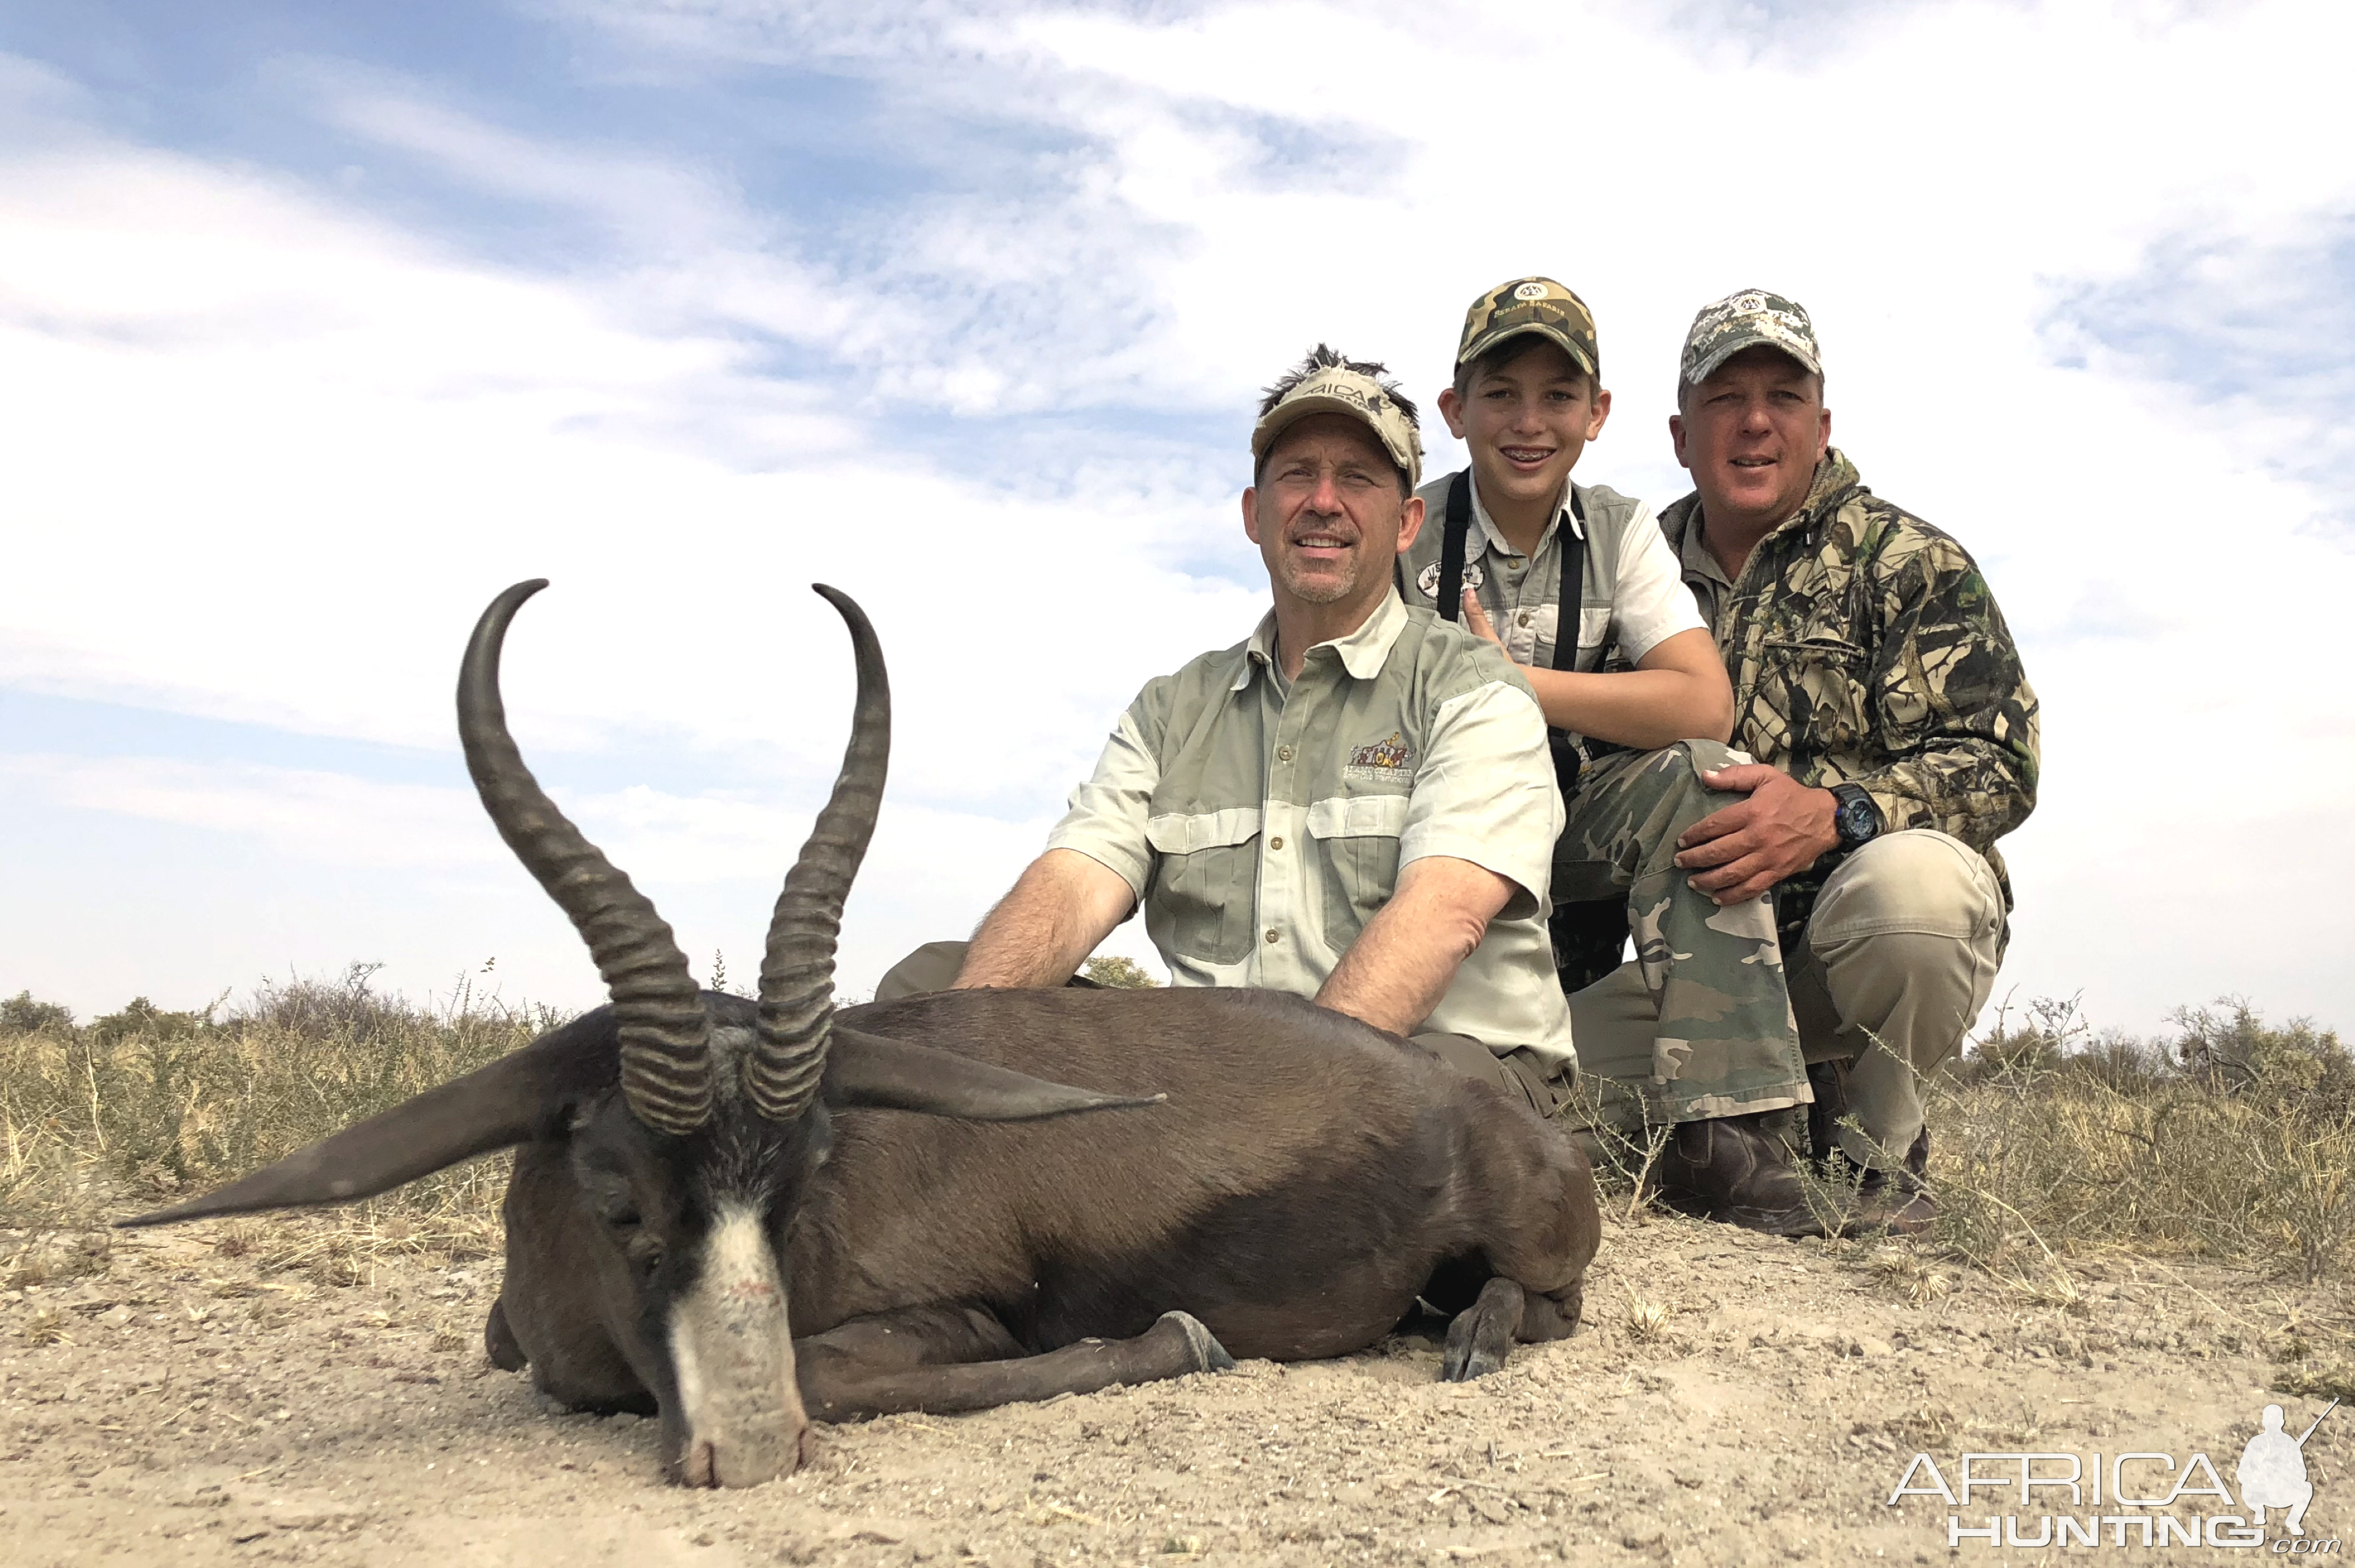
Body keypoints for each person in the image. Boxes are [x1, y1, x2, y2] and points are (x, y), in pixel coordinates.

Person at [876, 346, 1578, 1114]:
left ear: (1408, 522)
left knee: (1427, 1110)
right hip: (1217, 1074)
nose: (1323, 501)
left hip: (1428, 1061)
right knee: (933, 992)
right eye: (1296, 474)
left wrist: (1270, 1111)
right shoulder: (1172, 709)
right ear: (1254, 513)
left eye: (1357, 478)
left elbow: (1444, 912)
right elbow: (1075, 885)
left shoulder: (1472, 690)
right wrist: (969, 1045)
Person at [1569, 288, 2040, 1235]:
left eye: (1783, 397)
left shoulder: (1907, 561)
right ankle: (1773, 1116)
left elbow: (2000, 761)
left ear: (1821, 425)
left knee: (1921, 897)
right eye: (1724, 398)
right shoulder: (1626, 567)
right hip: (1697, 974)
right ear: (1679, 433)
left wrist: (1835, 815)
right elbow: (1578, 793)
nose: (1754, 422)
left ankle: (1875, 1148)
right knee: (1525, 1090)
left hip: (1844, 954)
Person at [1397, 277, 1823, 1234]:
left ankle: (1730, 1143)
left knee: (1700, 776)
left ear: (1597, 415)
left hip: (1562, 839)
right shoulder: (1407, 533)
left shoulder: (1621, 530)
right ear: (1456, 411)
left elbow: (1699, 699)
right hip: (1421, 848)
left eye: (1558, 397)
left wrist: (1515, 684)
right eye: (1501, 394)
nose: (1529, 422)